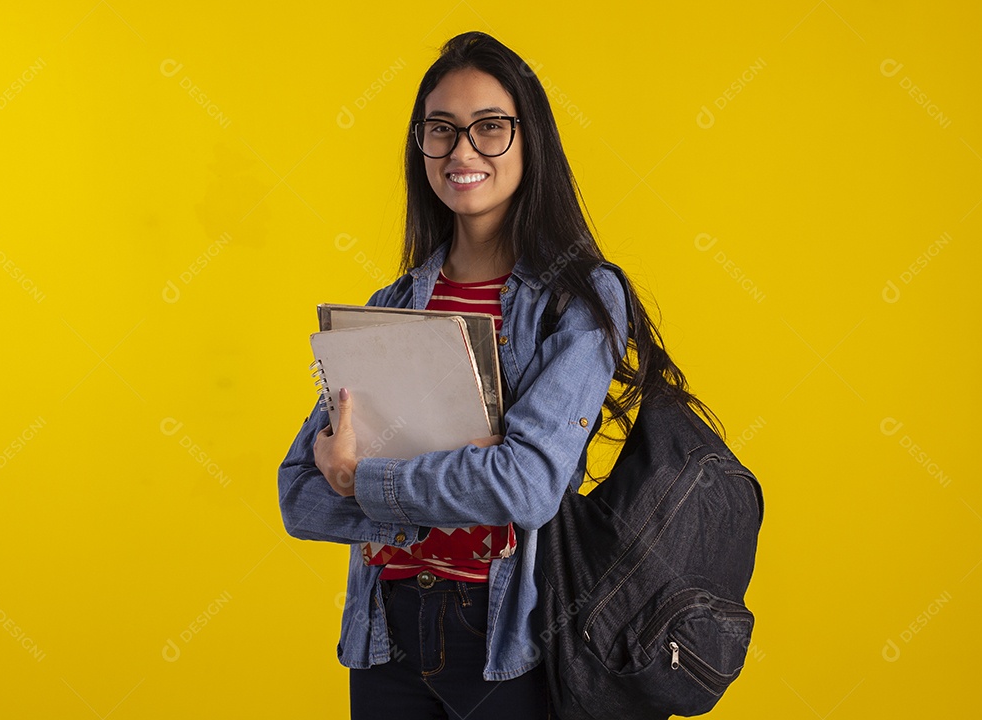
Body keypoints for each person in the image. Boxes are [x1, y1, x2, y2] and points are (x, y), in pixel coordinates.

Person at [278, 30, 714, 720]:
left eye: (489, 129)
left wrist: (361, 479)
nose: (461, 152)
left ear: (529, 140)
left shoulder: (579, 301)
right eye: (440, 130)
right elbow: (298, 494)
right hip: (383, 634)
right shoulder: (393, 308)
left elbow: (527, 485)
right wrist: (453, 485)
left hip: (507, 636)